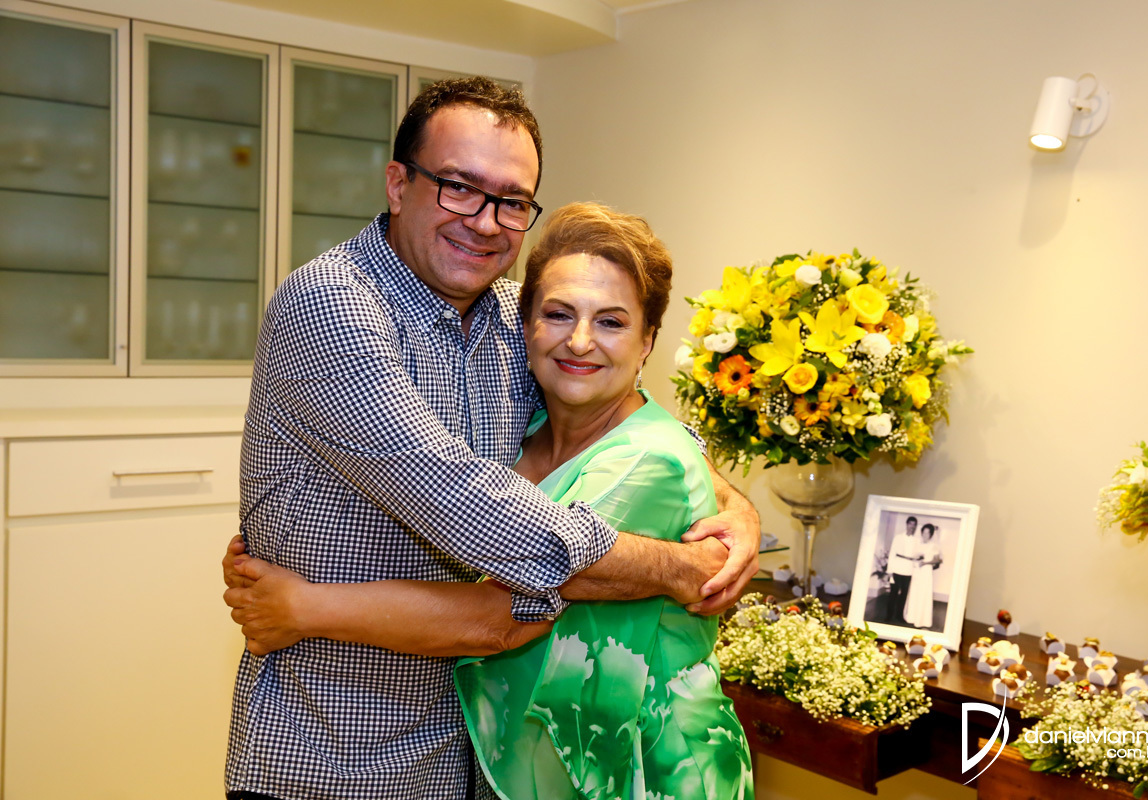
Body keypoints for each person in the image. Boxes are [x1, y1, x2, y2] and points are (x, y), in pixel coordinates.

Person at [222, 77, 759, 800]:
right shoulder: (334, 306)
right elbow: (472, 509)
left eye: (511, 201)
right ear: (398, 184)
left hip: (471, 753)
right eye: (458, 188)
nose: (484, 222)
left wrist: (730, 501)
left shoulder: (514, 315)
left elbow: (615, 415)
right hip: (338, 754)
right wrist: (678, 567)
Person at [903, 523, 941, 629]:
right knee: (914, 592)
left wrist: (925, 562)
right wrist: (916, 559)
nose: (925, 535)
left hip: (926, 572)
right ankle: (912, 617)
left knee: (923, 593)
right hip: (917, 571)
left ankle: (922, 620)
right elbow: (913, 556)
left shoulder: (934, 546)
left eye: (927, 533)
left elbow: (937, 560)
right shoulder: (918, 544)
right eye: (924, 532)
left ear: (931, 534)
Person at [884, 515, 920, 623]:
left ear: (915, 526)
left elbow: (917, 555)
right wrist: (889, 571)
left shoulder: (916, 540)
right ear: (906, 524)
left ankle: (899, 615)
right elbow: (892, 553)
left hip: (908, 570)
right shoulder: (898, 537)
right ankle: (889, 615)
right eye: (910, 524)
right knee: (893, 593)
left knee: (904, 594)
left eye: (914, 525)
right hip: (897, 568)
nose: (912, 527)